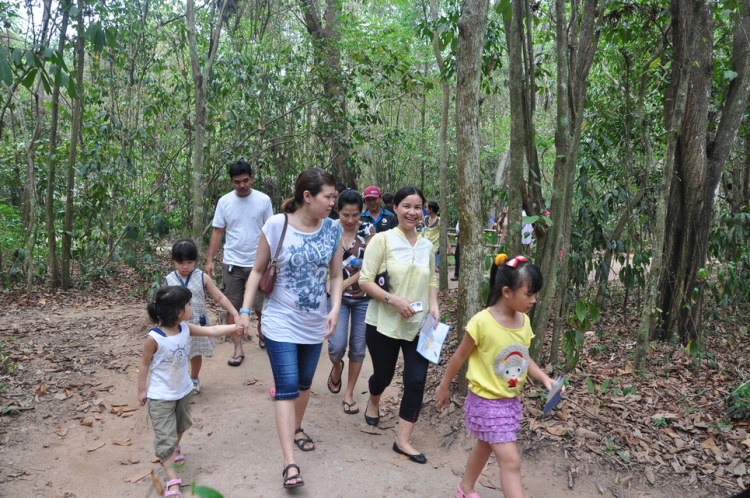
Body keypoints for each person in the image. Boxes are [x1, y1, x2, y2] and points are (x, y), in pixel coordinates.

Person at [237, 168, 343, 489]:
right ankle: (289, 462)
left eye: (335, 197)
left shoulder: (333, 230)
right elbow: (257, 271)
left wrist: (335, 308)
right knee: (286, 388)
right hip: (280, 320)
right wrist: (244, 310)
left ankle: (297, 427)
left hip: (315, 323)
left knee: (304, 383)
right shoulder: (276, 224)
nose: (332, 203)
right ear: (307, 196)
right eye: (329, 197)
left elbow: (336, 275)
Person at [435, 254, 556, 498]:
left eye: (535, 294)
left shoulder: (524, 321)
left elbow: (523, 357)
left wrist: (544, 378)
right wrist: (444, 386)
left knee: (485, 446)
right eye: (529, 294)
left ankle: (464, 488)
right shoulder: (482, 322)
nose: (534, 300)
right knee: (511, 462)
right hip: (485, 401)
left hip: (508, 400)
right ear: (507, 292)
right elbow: (459, 357)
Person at [359, 186, 439, 465]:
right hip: (383, 322)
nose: (412, 212)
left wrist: (434, 305)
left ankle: (402, 441)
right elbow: (365, 281)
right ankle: (373, 399)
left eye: (418, 207)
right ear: (395, 208)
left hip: (419, 325)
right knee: (383, 375)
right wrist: (393, 300)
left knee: (416, 380)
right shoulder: (382, 240)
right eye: (406, 206)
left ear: (424, 211)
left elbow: (431, 280)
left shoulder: (428, 245)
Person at [138, 286, 241, 498]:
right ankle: (173, 480)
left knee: (181, 425)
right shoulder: (154, 338)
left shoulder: (185, 328)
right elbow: (145, 364)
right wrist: (141, 390)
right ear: (177, 312)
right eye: (187, 305)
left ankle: (174, 447)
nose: (190, 307)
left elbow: (211, 331)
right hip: (160, 397)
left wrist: (234, 327)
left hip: (184, 391)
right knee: (165, 437)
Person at [206, 160, 273, 365]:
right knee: (232, 306)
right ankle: (237, 347)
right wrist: (210, 260)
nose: (242, 185)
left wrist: (272, 260)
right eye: (237, 182)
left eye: (245, 181)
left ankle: (263, 335)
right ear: (231, 182)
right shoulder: (225, 202)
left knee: (262, 306)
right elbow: (218, 230)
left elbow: (271, 230)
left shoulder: (263, 200)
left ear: (252, 178)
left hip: (258, 263)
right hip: (232, 263)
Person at [164, 238, 243, 395]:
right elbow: (165, 305)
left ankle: (193, 379)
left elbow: (219, 297)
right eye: (181, 262)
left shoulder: (202, 277)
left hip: (198, 324)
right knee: (177, 354)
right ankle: (178, 381)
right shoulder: (169, 279)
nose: (185, 266)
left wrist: (235, 313)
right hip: (177, 326)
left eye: (189, 262)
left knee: (195, 353)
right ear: (173, 260)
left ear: (195, 260)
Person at [326, 189, 376, 414]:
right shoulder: (328, 228)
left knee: (358, 348)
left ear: (361, 212)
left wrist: (346, 283)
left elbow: (371, 265)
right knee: (336, 346)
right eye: (346, 214)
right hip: (335, 299)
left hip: (364, 297)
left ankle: (349, 393)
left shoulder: (368, 230)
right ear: (338, 210)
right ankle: (336, 368)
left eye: (355, 215)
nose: (350, 220)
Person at [422, 201, 441, 267]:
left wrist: (449, 247)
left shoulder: (439, 220)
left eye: (427, 208)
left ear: (431, 209)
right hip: (425, 244)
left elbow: (444, 234)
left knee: (435, 264)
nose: (426, 209)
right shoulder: (426, 218)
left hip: (435, 245)